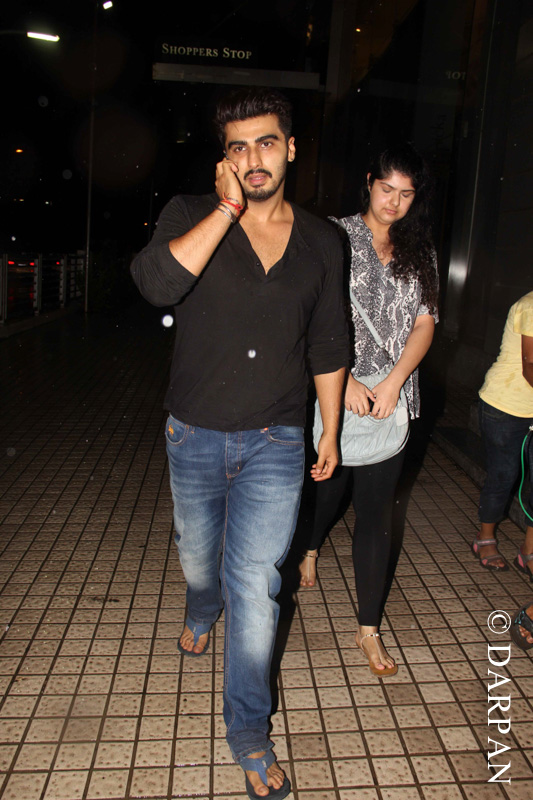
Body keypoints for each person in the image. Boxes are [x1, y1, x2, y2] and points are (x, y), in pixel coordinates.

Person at [130, 88, 347, 800]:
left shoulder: (322, 241)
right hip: (193, 430)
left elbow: (328, 343)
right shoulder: (191, 213)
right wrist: (225, 210)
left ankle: (249, 732)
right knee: (202, 563)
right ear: (224, 158)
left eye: (266, 142)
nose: (254, 158)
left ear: (290, 148)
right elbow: (155, 285)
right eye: (238, 146)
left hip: (276, 438)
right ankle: (200, 607)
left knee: (254, 583)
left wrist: (330, 428)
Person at [299, 144, 438, 677]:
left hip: (392, 401)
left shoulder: (419, 251)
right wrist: (347, 381)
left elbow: (425, 321)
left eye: (406, 194)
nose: (394, 203)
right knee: (329, 487)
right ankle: (312, 547)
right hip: (337, 388)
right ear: (369, 182)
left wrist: (395, 381)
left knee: (377, 512)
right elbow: (308, 314)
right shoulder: (331, 236)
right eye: (386, 189)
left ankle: (368, 628)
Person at [472, 291, 533, 574]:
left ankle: (529, 550)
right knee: (503, 475)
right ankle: (484, 538)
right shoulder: (530, 306)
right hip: (505, 406)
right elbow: (530, 365)